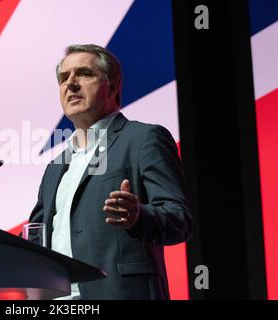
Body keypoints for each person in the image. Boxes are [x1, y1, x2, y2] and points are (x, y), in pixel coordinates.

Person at [28, 44, 193, 300]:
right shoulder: (55, 167)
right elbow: (35, 236)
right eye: (64, 77)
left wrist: (138, 217)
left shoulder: (143, 139)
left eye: (83, 73)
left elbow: (181, 219)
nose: (70, 84)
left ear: (113, 87)